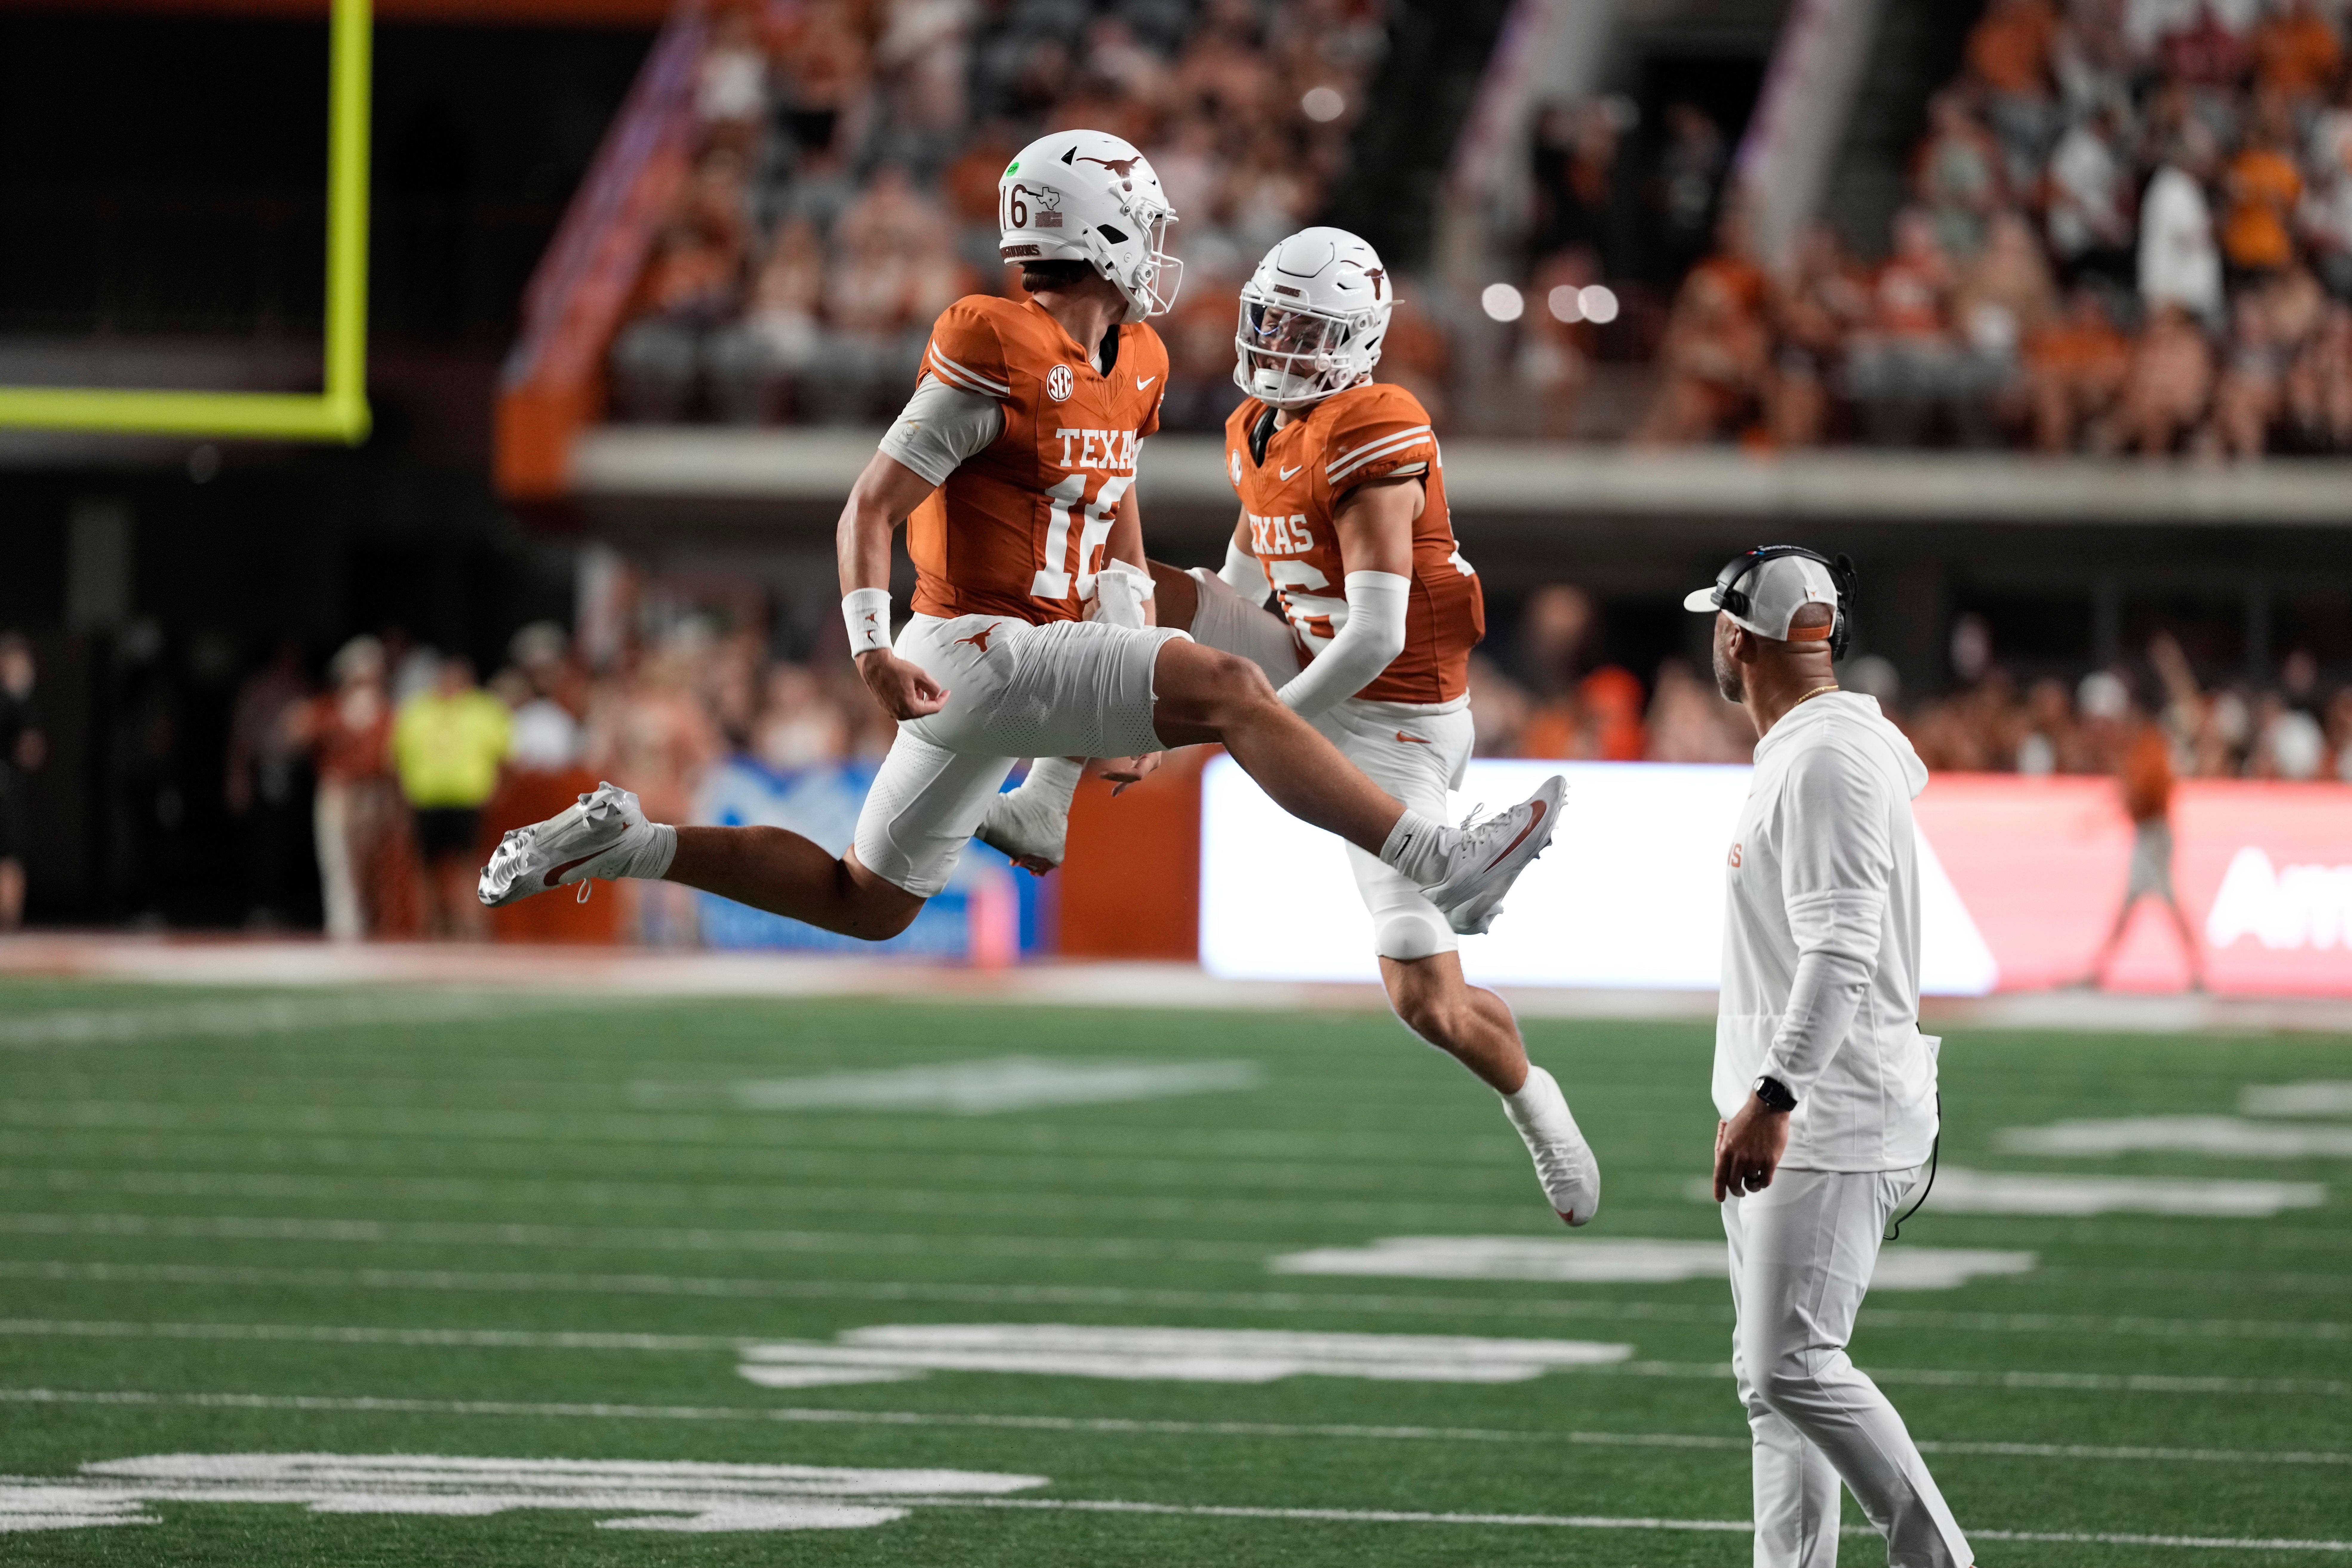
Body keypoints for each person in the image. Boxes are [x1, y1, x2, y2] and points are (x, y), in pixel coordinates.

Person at [480, 131, 1561, 948]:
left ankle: (630, 840)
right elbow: (870, 505)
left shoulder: (1132, 363)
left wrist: (1096, 725)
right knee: (1233, 683)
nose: (1159, 250)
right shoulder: (992, 340)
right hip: (979, 650)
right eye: (1141, 225)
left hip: (1019, 667)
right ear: (1097, 235)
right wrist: (869, 646)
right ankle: (1438, 855)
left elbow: (1118, 544)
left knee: (869, 903)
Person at [987, 227, 1599, 1225]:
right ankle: (1044, 794)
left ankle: (1533, 1100)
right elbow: (1233, 585)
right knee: (1118, 584)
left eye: (1301, 327)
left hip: (1397, 717)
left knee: (1426, 1005)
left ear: (1355, 338)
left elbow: (1371, 635)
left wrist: (1241, 720)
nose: (1275, 341)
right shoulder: (1253, 428)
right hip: (1299, 671)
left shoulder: (1374, 425)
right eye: (1268, 319)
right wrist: (1175, 673)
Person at [1686, 547, 1975, 1568]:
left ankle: (1936, 1558)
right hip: (1808, 1109)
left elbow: (1840, 948)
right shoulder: (1816, 746)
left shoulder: (1821, 758)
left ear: (1737, 637)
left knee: (1790, 1361)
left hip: (1827, 1115)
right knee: (1769, 1383)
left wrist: (1773, 1092)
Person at [391, 655, 514, 940]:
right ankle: (430, 929)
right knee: (425, 869)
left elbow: (505, 758)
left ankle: (471, 928)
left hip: (467, 801)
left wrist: (499, 792)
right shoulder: (417, 711)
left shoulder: (484, 710)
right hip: (426, 800)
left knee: (469, 867)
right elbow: (397, 757)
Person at [287, 635, 398, 943]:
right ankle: (344, 926)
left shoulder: (387, 712)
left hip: (374, 792)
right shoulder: (330, 707)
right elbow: (296, 733)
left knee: (373, 863)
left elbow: (392, 756)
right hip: (339, 790)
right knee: (337, 859)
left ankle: (375, 925)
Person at [0, 633, 47, 930]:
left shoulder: (19, 703)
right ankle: (8, 927)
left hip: (9, 788)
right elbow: (32, 750)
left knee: (11, 856)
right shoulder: (16, 701)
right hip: (7, 788)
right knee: (9, 859)